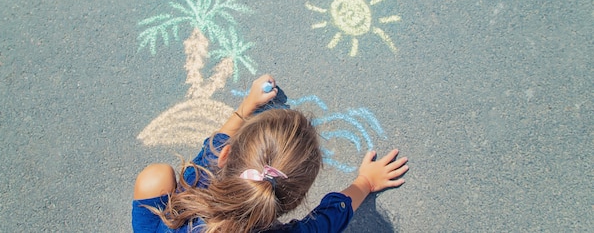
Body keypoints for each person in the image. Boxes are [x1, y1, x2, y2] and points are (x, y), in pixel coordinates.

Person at [132, 75, 409, 232]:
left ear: (226, 156)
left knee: (155, 178)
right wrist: (366, 182)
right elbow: (328, 219)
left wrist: (245, 108)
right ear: (297, 199)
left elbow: (213, 148)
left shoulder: (198, 184)